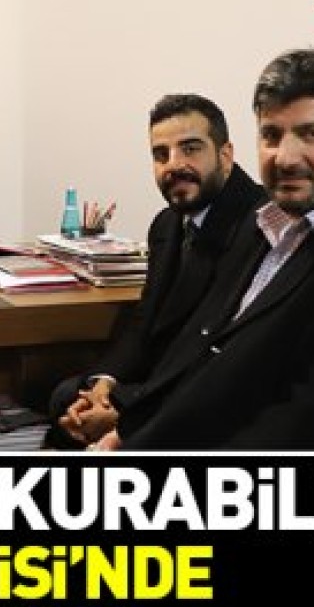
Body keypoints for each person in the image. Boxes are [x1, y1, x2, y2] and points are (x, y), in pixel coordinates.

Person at [60, 47, 314, 450]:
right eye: (271, 135)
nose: (285, 157)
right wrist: (127, 434)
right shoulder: (269, 226)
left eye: (312, 134)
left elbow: (309, 423)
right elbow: (202, 359)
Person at [45, 94, 266, 448]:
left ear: (225, 155)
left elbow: (218, 355)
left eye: (190, 149)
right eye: (161, 154)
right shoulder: (167, 224)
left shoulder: (261, 228)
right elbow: (144, 324)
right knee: (66, 399)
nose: (174, 165)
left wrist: (128, 415)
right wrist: (103, 385)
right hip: (154, 382)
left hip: (200, 394)